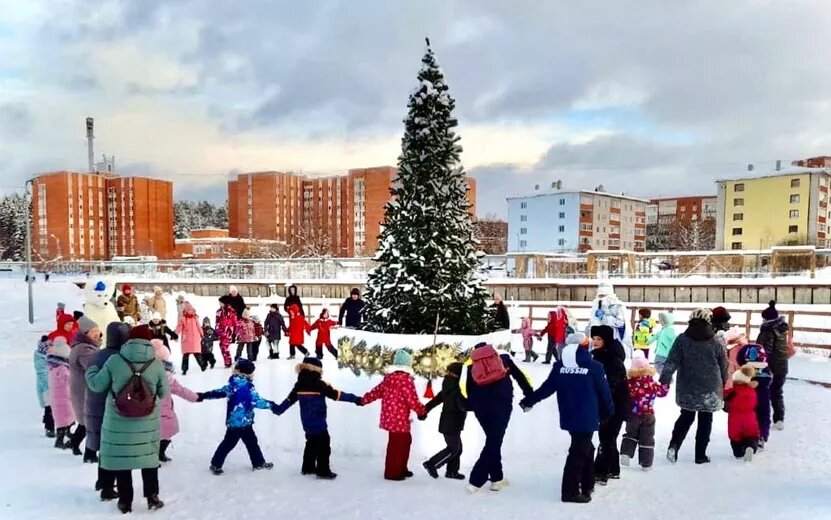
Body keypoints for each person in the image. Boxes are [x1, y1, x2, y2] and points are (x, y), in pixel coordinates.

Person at [519, 333, 614, 504]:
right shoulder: (595, 367)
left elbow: (546, 388)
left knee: (587, 448)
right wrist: (608, 412)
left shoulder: (559, 367)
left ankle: (588, 483)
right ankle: (569, 492)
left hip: (569, 416)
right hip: (587, 417)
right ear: (585, 347)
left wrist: (529, 401)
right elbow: (604, 393)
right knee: (578, 453)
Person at [85, 325, 170, 513]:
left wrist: (91, 370)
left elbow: (96, 385)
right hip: (147, 421)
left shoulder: (115, 361)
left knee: (122, 459)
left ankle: (125, 501)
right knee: (148, 459)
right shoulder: (156, 363)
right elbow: (164, 392)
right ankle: (152, 498)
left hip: (118, 420)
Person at [271, 357, 362, 479]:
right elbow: (337, 395)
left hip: (306, 422)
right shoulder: (319, 384)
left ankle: (307, 468)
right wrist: (355, 399)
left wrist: (278, 409)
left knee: (311, 443)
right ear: (317, 370)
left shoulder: (299, 385)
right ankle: (323, 470)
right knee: (324, 445)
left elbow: (289, 400)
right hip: (319, 421)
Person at [660, 308, 727, 465]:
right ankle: (700, 455)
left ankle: (674, 445)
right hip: (710, 387)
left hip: (687, 386)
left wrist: (665, 379)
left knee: (686, 416)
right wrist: (724, 382)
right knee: (705, 419)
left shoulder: (682, 339)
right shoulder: (717, 341)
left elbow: (671, 361)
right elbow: (724, 365)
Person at [464, 342, 533, 493]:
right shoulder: (504, 359)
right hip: (502, 403)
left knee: (493, 439)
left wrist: (473, 406)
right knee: (495, 440)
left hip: (481, 407)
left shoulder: (471, 367)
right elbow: (520, 377)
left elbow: (469, 389)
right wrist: (529, 394)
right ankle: (476, 479)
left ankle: (497, 479)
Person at [199, 359, 276, 475]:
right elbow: (257, 401)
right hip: (240, 422)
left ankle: (258, 462)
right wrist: (272, 405)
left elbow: (219, 392)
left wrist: (204, 395)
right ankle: (215, 464)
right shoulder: (247, 387)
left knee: (250, 442)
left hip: (239, 421)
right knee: (230, 443)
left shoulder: (233, 384)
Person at [360, 349, 426, 481]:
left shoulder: (389, 379)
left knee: (404, 442)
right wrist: (421, 411)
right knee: (398, 445)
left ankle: (401, 468)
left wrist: (364, 400)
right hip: (399, 419)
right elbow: (411, 399)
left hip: (391, 418)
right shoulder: (406, 380)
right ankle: (393, 473)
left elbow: (376, 392)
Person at [85, 322, 130, 501]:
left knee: (105, 447)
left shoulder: (98, 355)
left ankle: (102, 481)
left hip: (95, 406)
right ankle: (108, 487)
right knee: (115, 448)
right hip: (113, 408)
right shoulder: (121, 358)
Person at [589, 325, 630, 485]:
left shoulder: (611, 359)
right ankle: (613, 469)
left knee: (606, 438)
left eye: (599, 339)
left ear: (606, 340)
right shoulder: (598, 356)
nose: (595, 341)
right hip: (607, 404)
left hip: (614, 405)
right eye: (594, 338)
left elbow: (612, 385)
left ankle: (600, 472)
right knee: (609, 437)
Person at [620, 351, 669, 471]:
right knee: (647, 438)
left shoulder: (629, 383)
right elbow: (661, 392)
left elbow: (623, 396)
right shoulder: (651, 383)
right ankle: (646, 463)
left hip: (633, 414)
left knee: (630, 434)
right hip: (648, 415)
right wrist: (666, 384)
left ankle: (625, 453)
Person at [152, 339, 199, 463]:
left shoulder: (145, 372)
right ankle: (155, 457)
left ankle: (158, 454)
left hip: (154, 411)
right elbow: (181, 390)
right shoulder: (166, 377)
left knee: (160, 435)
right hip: (161, 411)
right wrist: (195, 397)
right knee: (163, 435)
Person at [420, 362, 467, 480]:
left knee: (457, 448)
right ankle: (432, 464)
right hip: (452, 423)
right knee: (453, 449)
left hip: (450, 422)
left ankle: (452, 472)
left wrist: (425, 410)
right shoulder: (456, 390)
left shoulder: (448, 386)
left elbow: (436, 400)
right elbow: (462, 405)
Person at [68, 316, 102, 459]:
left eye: (98, 331)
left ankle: (75, 443)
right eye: (93, 331)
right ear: (85, 333)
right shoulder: (84, 350)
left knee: (86, 422)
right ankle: (89, 453)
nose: (97, 334)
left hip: (81, 390)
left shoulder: (83, 347)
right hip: (85, 391)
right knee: (90, 422)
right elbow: (94, 367)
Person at [756, 300, 789, 431]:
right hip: (782, 366)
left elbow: (765, 351)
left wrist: (760, 364)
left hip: (771, 367)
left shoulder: (768, 331)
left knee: (764, 393)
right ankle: (779, 418)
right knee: (777, 392)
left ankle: (764, 420)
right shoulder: (782, 329)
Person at [736, 343, 772, 448]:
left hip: (747, 397)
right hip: (763, 396)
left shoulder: (744, 371)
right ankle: (762, 436)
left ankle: (746, 438)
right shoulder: (766, 369)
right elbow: (769, 380)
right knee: (764, 415)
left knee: (747, 416)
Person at [724, 365, 760, 462]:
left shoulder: (732, 391)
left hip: (735, 418)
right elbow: (755, 403)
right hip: (749, 417)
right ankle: (750, 447)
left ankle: (738, 452)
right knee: (752, 435)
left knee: (735, 437)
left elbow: (725, 400)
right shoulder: (751, 391)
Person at [48, 336, 75, 450]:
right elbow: (67, 379)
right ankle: (59, 440)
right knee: (64, 418)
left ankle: (66, 433)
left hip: (57, 397)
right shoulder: (63, 368)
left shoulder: (53, 367)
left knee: (63, 418)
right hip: (63, 397)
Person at [586, 282, 630, 349]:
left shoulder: (617, 306)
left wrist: (604, 318)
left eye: (604, 296)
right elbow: (592, 321)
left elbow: (621, 323)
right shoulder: (596, 305)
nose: (601, 298)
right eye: (600, 296)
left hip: (611, 339)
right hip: (596, 340)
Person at [175, 301, 205, 375]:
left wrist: (202, 334)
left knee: (197, 354)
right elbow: (179, 327)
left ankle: (203, 365)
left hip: (195, 338)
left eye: (190, 309)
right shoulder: (183, 318)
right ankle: (184, 369)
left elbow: (198, 326)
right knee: (186, 355)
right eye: (187, 309)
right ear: (185, 310)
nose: (189, 311)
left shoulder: (195, 317)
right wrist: (175, 334)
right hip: (186, 339)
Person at [34, 335, 54, 438]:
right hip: (46, 387)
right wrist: (49, 385)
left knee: (53, 408)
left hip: (52, 386)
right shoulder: (40, 357)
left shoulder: (49, 356)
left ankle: (51, 427)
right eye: (49, 346)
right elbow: (41, 373)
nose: (52, 348)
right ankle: (49, 428)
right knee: (49, 408)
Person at [215, 296, 238, 368]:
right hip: (220, 331)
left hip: (228, 331)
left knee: (225, 346)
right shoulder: (219, 311)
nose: (219, 303)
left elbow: (235, 322)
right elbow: (217, 321)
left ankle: (228, 362)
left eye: (221, 302)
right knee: (222, 347)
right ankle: (227, 361)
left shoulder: (231, 311)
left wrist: (234, 333)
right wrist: (216, 330)